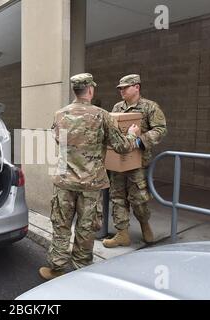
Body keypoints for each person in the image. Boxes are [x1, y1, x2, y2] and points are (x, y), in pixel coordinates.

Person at [39, 73, 141, 281]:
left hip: (64, 181)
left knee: (61, 224)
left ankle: (56, 267)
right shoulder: (102, 116)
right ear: (91, 90)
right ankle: (81, 268)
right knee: (86, 227)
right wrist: (133, 133)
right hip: (91, 183)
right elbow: (122, 147)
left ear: (74, 91)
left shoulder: (60, 114)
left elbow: (60, 141)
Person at [103, 74, 167, 248]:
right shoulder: (117, 107)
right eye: (120, 88)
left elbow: (160, 129)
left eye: (125, 87)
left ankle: (145, 226)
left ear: (137, 87)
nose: (121, 91)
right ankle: (122, 233)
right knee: (117, 197)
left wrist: (141, 140)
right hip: (118, 160)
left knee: (138, 198)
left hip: (137, 162)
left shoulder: (149, 107)